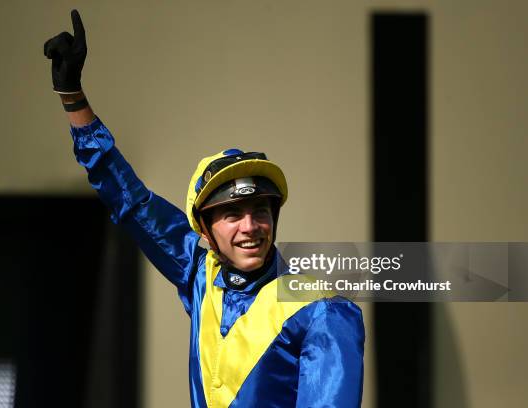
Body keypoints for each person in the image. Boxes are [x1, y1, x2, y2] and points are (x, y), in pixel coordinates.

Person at [44, 10, 365, 408]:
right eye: (232, 214)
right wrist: (72, 97)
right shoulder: (200, 271)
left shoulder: (323, 310)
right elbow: (130, 199)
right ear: (203, 229)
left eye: (260, 211)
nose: (251, 227)